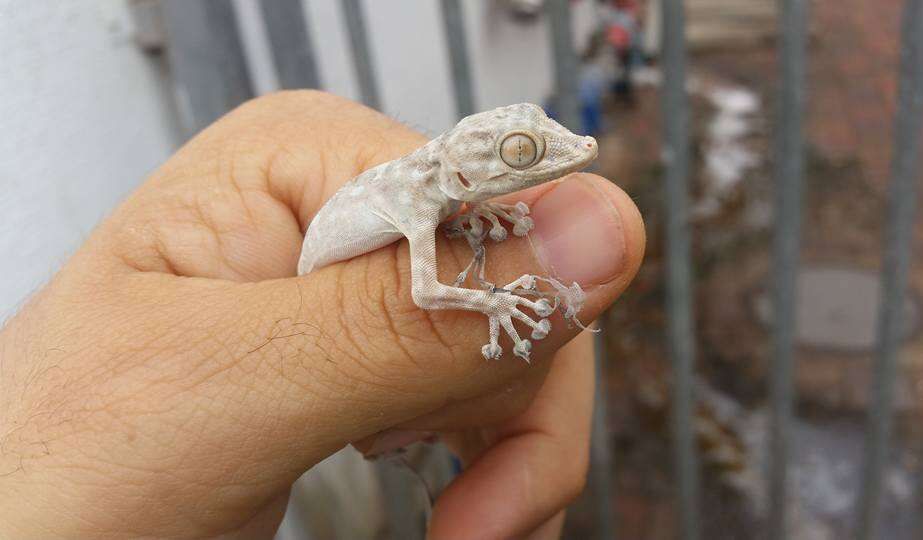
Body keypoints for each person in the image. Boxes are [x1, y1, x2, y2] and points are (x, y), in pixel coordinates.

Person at [0, 92, 645, 539]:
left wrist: (479, 214)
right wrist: (497, 300)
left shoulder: (436, 192)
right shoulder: (417, 204)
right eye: (522, 154)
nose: (570, 152)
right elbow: (424, 295)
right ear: (465, 167)